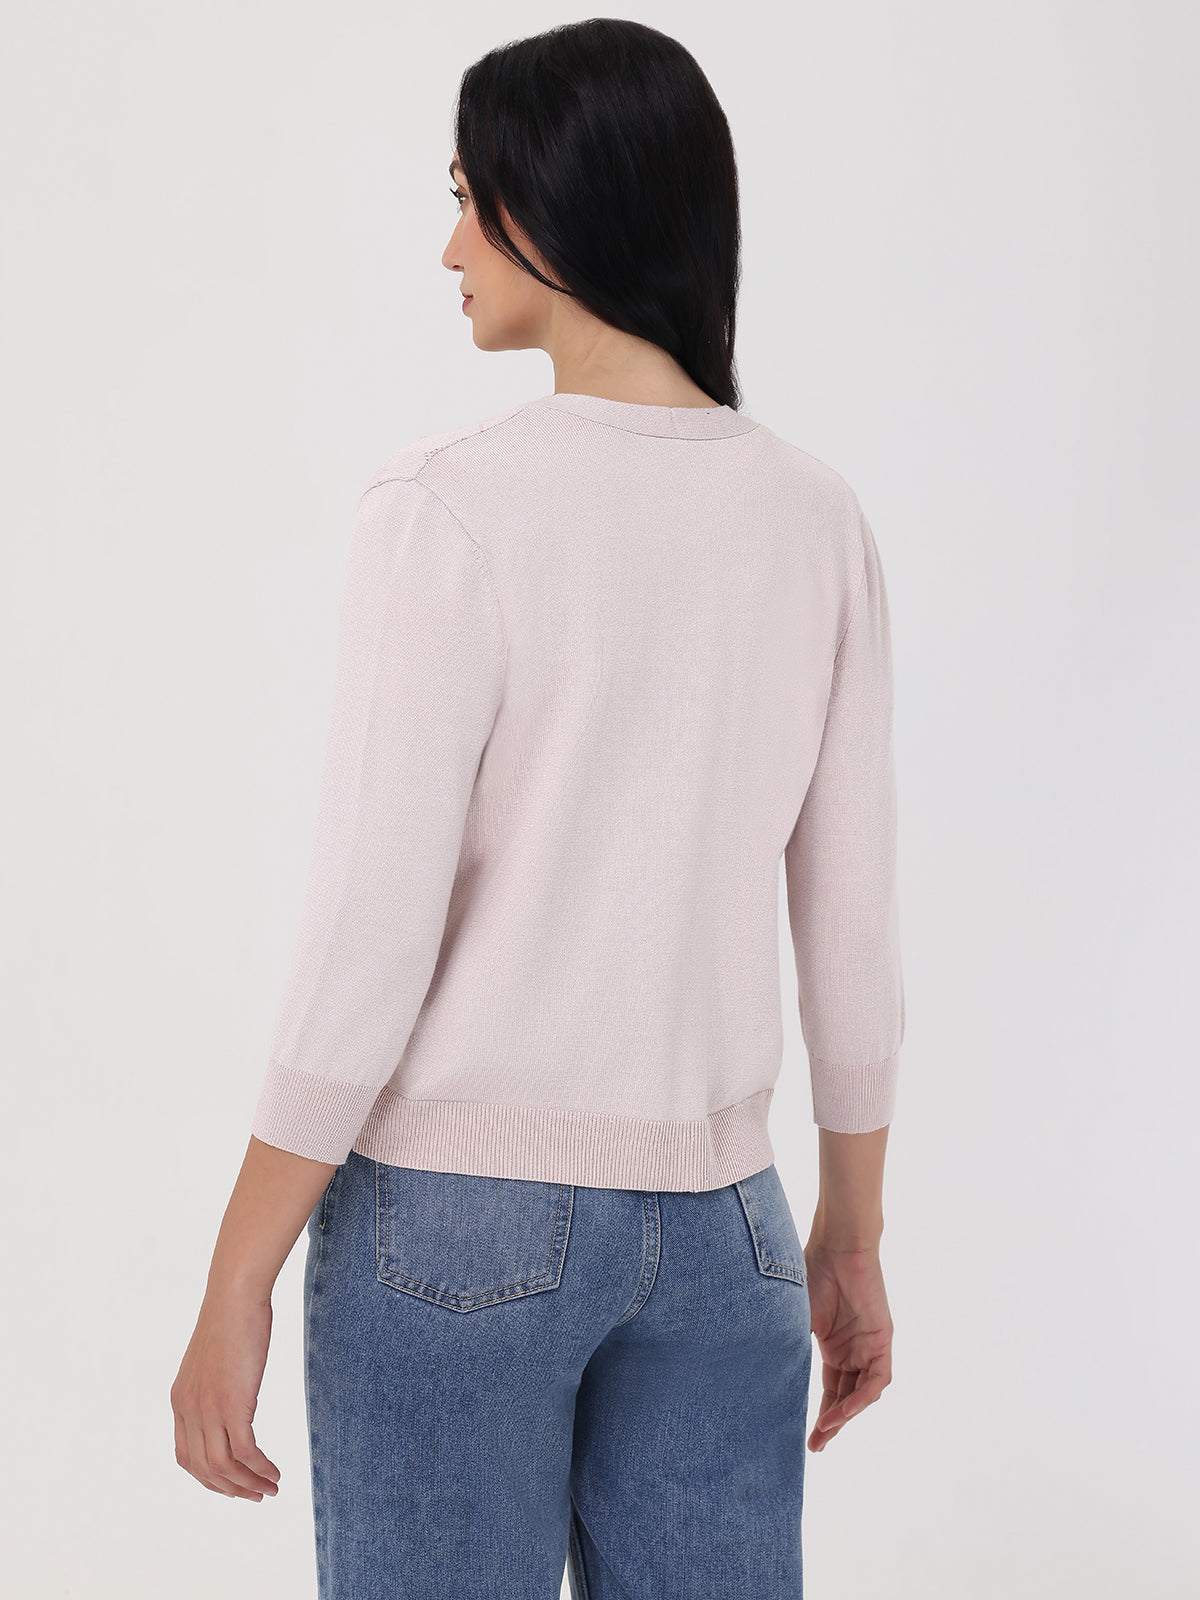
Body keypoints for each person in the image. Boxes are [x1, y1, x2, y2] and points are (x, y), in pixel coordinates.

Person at [171, 18, 904, 1599]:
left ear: (552, 203)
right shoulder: (815, 520)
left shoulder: (447, 509)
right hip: (728, 1235)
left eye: (464, 197)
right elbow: (852, 932)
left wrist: (238, 1273)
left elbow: (373, 933)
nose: (448, 247)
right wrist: (849, 1234)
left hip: (453, 1229)